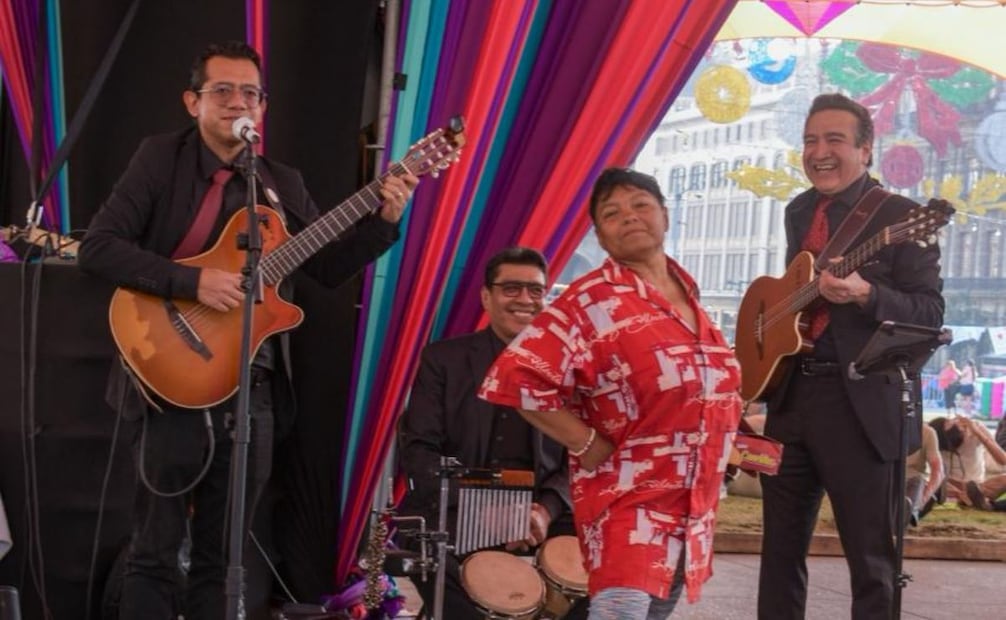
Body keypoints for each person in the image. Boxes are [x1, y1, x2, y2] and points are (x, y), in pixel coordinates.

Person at [77, 41, 418, 620]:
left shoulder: (278, 181)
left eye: (251, 93)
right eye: (224, 91)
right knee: (156, 547)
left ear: (263, 108)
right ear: (194, 102)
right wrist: (191, 284)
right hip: (169, 381)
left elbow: (328, 267)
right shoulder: (160, 158)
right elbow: (99, 248)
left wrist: (385, 219)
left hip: (251, 391)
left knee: (225, 553)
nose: (240, 101)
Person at [479, 168, 743, 619]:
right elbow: (518, 379)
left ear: (664, 214)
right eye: (612, 213)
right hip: (630, 506)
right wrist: (586, 443)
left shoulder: (692, 298)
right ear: (600, 237)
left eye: (640, 205)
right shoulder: (590, 300)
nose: (630, 217)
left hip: (690, 508)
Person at [756, 93, 944, 620]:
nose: (820, 151)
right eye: (811, 140)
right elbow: (794, 290)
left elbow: (929, 313)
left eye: (835, 139)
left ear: (866, 149)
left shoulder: (903, 218)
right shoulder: (799, 209)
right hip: (790, 396)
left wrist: (867, 294)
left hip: (859, 402)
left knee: (871, 560)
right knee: (779, 551)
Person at [397, 247, 585, 620]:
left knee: (606, 563)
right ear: (487, 296)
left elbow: (579, 456)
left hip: (540, 509)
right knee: (424, 552)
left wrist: (545, 511)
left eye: (535, 290)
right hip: (458, 505)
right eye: (511, 289)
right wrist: (490, 513)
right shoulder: (442, 360)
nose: (525, 300)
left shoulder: (568, 368)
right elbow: (418, 450)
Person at [930, 416, 1006, 501]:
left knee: (1003, 480)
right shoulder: (935, 439)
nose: (957, 420)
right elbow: (937, 475)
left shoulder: (976, 427)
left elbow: (1003, 460)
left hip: (978, 486)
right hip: (950, 485)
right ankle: (968, 498)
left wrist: (978, 433)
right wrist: (958, 489)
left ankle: (970, 497)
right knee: (935, 486)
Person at [904, 423, 944, 526]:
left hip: (912, 480)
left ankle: (912, 510)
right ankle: (911, 512)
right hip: (887, 479)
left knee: (917, 480)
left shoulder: (927, 433)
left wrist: (926, 496)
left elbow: (938, 469)